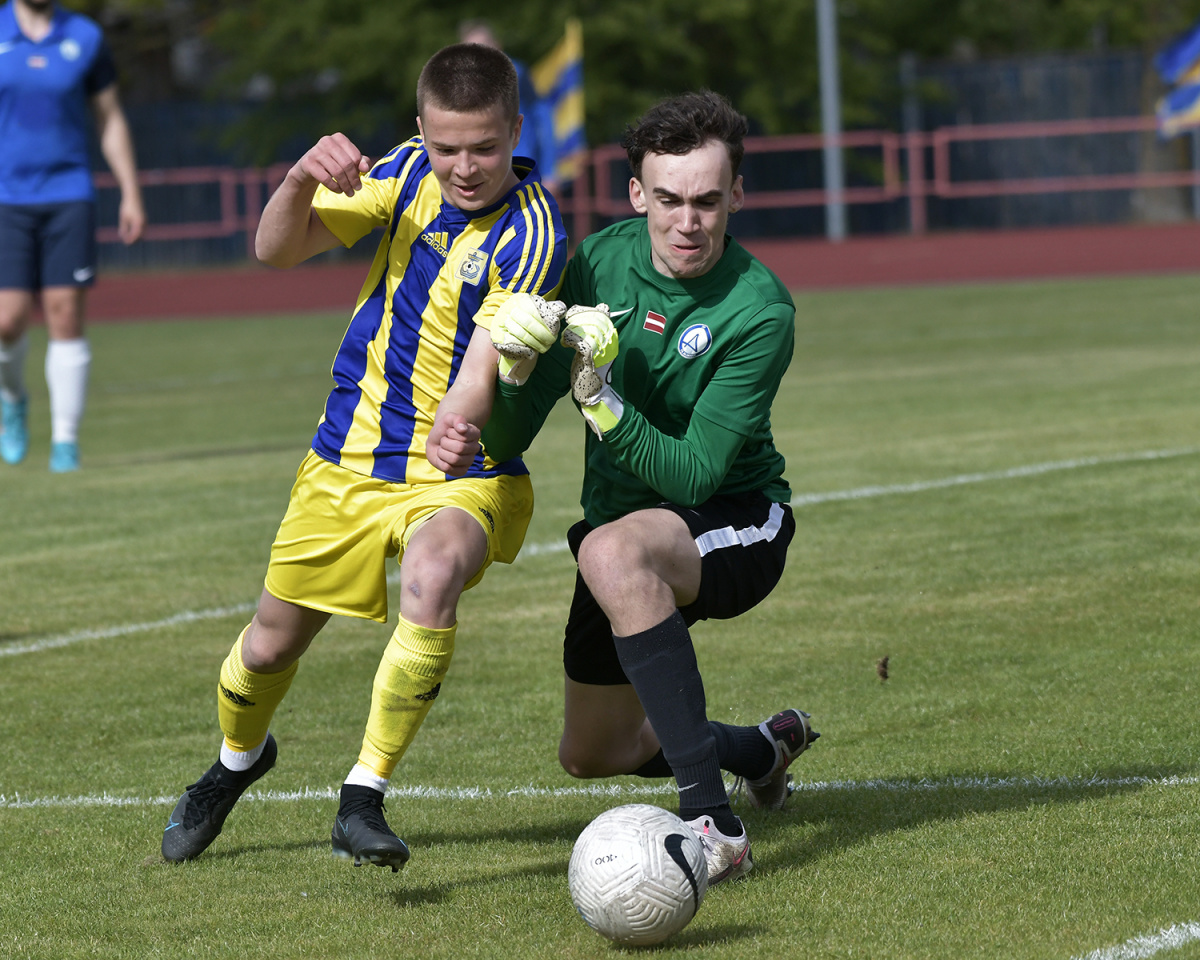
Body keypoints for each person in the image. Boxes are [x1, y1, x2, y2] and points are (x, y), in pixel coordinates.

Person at [160, 42, 567, 870]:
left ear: (517, 132)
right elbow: (277, 249)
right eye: (447, 147)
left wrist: (460, 419)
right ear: (421, 129)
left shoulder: (536, 233)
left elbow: (486, 355)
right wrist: (297, 179)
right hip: (346, 459)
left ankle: (363, 796)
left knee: (434, 573)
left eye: (484, 148)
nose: (464, 168)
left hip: (459, 471)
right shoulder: (407, 170)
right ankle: (237, 763)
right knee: (268, 648)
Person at [480, 90, 818, 885]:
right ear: (637, 193)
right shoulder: (596, 262)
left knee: (609, 550)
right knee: (593, 752)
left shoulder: (760, 309)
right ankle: (758, 750)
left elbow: (695, 473)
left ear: (736, 195)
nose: (687, 222)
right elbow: (507, 438)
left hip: (737, 521)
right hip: (621, 536)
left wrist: (600, 402)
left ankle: (714, 824)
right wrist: (514, 372)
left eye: (707, 201)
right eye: (668, 199)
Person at [0, 0, 145, 472]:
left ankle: (65, 443)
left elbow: (110, 117)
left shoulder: (84, 36)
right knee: (6, 321)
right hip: (6, 198)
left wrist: (130, 192)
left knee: (64, 313)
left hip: (69, 194)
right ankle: (12, 399)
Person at [457, 19, 559, 195]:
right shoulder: (457, 85)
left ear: (498, 45)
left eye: (484, 47)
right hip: (482, 171)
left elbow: (543, 117)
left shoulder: (517, 74)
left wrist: (550, 171)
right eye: (472, 50)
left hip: (522, 166)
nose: (480, 55)